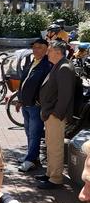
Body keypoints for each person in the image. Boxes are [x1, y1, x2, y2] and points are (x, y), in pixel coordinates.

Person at [38, 41, 76, 190]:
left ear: (58, 52)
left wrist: (56, 114)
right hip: (51, 114)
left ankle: (55, 178)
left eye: (50, 51)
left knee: (55, 147)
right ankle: (50, 173)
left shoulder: (64, 67)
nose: (47, 53)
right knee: (50, 145)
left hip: (55, 115)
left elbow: (65, 96)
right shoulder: (59, 65)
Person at [16, 39, 52, 173]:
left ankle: (30, 160)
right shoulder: (33, 61)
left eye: (39, 47)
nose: (35, 50)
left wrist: (38, 102)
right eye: (34, 47)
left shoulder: (47, 65)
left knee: (34, 133)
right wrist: (20, 100)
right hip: (26, 104)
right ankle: (32, 155)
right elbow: (24, 81)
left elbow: (46, 88)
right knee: (28, 131)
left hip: (35, 106)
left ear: (46, 49)